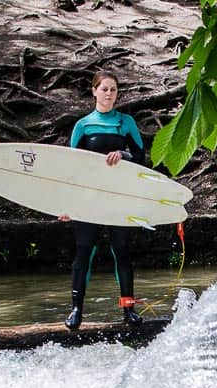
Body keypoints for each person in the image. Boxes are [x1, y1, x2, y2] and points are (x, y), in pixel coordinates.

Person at [59, 71, 146, 329]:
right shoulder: (83, 125)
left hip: (118, 198)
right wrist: (66, 205)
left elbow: (141, 157)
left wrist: (123, 154)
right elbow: (70, 169)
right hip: (88, 199)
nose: (109, 94)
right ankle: (76, 310)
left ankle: (128, 310)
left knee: (122, 253)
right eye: (104, 89)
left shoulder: (126, 122)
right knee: (84, 253)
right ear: (94, 91)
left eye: (113, 90)